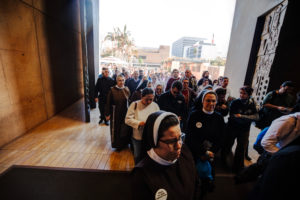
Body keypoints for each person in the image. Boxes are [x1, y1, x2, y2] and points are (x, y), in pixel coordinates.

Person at [131, 111, 201, 200]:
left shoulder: (184, 152)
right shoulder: (142, 174)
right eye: (172, 141)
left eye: (180, 137)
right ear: (154, 141)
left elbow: (196, 184)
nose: (179, 145)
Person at [185, 90, 225, 195]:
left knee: (206, 183)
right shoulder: (194, 115)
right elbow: (190, 137)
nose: (211, 104)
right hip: (195, 154)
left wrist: (212, 152)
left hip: (211, 156)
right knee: (192, 181)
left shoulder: (219, 118)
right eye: (208, 101)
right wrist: (202, 153)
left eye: (213, 101)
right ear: (202, 101)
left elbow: (221, 138)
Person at [225, 86, 258, 173]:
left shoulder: (252, 103)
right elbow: (233, 116)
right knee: (228, 145)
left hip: (244, 130)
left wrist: (242, 117)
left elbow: (256, 117)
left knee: (241, 148)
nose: (241, 95)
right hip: (232, 128)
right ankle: (224, 163)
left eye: (244, 93)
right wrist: (248, 119)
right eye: (240, 93)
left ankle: (238, 167)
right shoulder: (235, 102)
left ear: (249, 94)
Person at [125, 88, 160, 164]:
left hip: (150, 136)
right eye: (147, 99)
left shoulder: (155, 106)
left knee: (149, 155)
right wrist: (139, 123)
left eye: (151, 99)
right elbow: (127, 119)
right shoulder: (135, 104)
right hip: (138, 136)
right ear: (142, 96)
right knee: (137, 155)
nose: (149, 102)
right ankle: (137, 170)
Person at [105, 75, 130, 150]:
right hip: (115, 113)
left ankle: (124, 144)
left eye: (123, 80)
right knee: (117, 130)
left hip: (125, 113)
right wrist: (107, 114)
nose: (121, 82)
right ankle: (117, 145)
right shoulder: (112, 90)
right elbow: (108, 103)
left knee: (124, 129)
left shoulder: (127, 89)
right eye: (119, 80)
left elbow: (129, 101)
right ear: (117, 81)